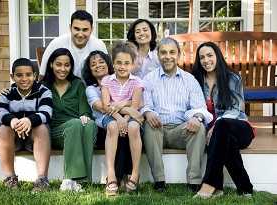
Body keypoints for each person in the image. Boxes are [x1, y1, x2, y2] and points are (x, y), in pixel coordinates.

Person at [142, 37, 213, 192]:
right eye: (163, 52)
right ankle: (159, 181)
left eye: (172, 52)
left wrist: (197, 118)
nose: (168, 56)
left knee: (199, 127)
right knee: (148, 124)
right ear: (158, 55)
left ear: (178, 54)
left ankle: (194, 181)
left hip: (181, 131)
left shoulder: (189, 80)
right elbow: (144, 104)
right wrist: (147, 112)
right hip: (157, 129)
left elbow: (200, 108)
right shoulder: (149, 79)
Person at [192, 42, 255, 199]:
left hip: (239, 128)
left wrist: (215, 127)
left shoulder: (232, 77)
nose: (206, 60)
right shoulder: (196, 80)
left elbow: (235, 109)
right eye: (202, 57)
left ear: (217, 56)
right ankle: (245, 188)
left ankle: (209, 184)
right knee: (226, 142)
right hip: (218, 136)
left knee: (222, 126)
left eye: (209, 55)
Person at [82, 50, 143, 196]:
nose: (98, 66)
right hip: (105, 123)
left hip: (123, 120)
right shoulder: (92, 88)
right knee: (115, 128)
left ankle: (129, 175)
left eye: (101, 62)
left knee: (129, 130)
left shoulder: (132, 81)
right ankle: (113, 176)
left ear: (108, 64)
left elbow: (137, 102)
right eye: (93, 64)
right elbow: (103, 106)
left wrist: (124, 106)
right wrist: (125, 114)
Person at [0, 58, 53, 191]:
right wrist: (13, 121)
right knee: (3, 128)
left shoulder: (43, 92)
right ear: (12, 77)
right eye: (19, 75)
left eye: (28, 75)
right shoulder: (7, 93)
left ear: (35, 76)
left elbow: (47, 112)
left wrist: (29, 121)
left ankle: (42, 179)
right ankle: (10, 178)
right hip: (12, 140)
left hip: (34, 139)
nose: (24, 79)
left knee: (42, 127)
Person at [42, 48, 96, 192]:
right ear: (51, 64)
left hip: (76, 129)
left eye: (67, 65)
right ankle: (69, 180)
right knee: (75, 124)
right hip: (54, 132)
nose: (63, 69)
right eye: (59, 64)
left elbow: (85, 109)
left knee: (89, 125)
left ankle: (82, 182)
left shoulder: (77, 84)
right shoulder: (43, 86)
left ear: (71, 66)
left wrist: (85, 115)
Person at [101, 42, 143, 195]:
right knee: (112, 127)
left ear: (132, 65)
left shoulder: (137, 82)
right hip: (111, 116)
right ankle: (111, 174)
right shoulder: (107, 81)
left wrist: (123, 112)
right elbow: (106, 106)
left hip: (129, 117)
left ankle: (135, 173)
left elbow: (136, 106)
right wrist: (119, 118)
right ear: (113, 63)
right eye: (119, 62)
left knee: (134, 127)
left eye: (126, 63)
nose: (122, 66)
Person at [39, 10, 107, 79]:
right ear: (70, 28)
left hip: (90, 86)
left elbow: (108, 74)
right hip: (61, 86)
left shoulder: (99, 45)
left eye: (85, 30)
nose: (80, 34)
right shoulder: (56, 44)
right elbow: (42, 75)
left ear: (91, 30)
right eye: (76, 29)